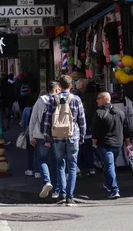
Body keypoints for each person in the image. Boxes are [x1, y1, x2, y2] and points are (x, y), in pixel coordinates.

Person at [43, 75, 86, 206]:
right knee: (72, 166)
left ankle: (62, 192)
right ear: (71, 86)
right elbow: (82, 119)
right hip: (73, 135)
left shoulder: (52, 99)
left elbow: (47, 120)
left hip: (57, 136)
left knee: (60, 165)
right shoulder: (76, 99)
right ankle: (70, 196)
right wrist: (82, 136)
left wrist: (47, 137)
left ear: (59, 86)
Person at [92, 92, 130, 199]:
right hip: (118, 143)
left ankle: (114, 189)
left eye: (98, 98)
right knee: (111, 165)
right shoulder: (120, 112)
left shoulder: (99, 113)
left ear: (105, 99)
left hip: (105, 144)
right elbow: (126, 128)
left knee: (109, 165)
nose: (96, 100)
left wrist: (94, 142)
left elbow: (95, 130)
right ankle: (109, 184)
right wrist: (127, 141)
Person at [29, 81, 60, 199]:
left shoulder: (40, 100)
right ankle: (57, 190)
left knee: (42, 160)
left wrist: (31, 136)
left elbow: (33, 120)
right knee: (57, 162)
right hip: (57, 135)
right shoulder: (60, 100)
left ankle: (47, 181)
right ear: (57, 89)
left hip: (41, 135)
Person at [20, 94, 37, 177]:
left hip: (28, 132)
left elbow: (23, 122)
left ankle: (30, 169)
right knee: (38, 153)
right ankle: (38, 171)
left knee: (30, 152)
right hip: (38, 132)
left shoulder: (26, 110)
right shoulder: (37, 108)